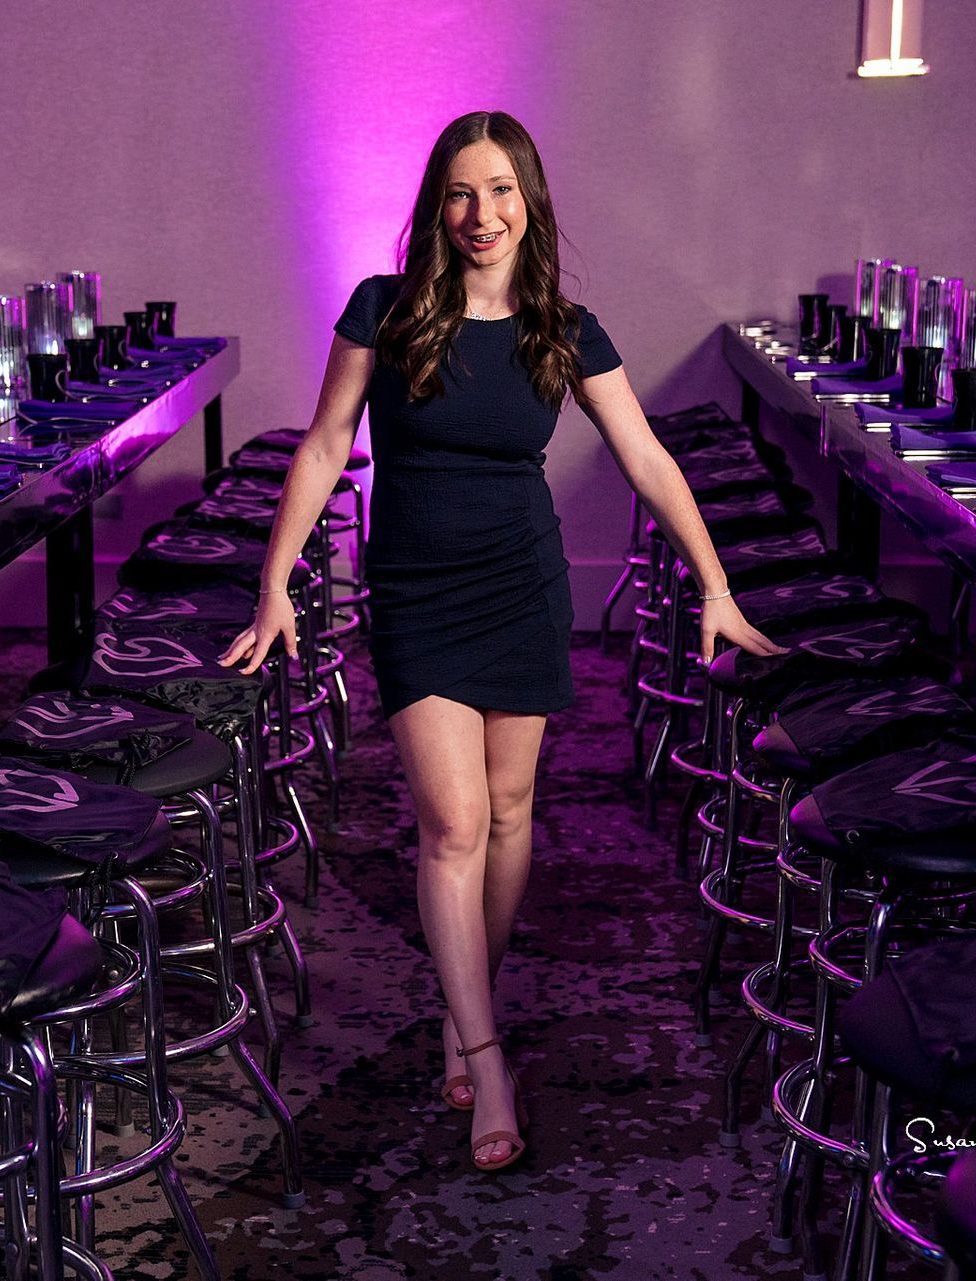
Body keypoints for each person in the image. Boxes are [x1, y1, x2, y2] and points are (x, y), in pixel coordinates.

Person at [218, 109, 782, 1172]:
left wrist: (715, 583)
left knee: (514, 811)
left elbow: (649, 459)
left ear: (531, 201)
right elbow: (327, 441)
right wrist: (275, 586)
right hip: (419, 589)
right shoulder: (385, 311)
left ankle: (459, 994)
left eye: (502, 191)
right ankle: (485, 1043)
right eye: (463, 193)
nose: (483, 214)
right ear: (439, 203)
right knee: (455, 821)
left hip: (522, 584)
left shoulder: (564, 328)